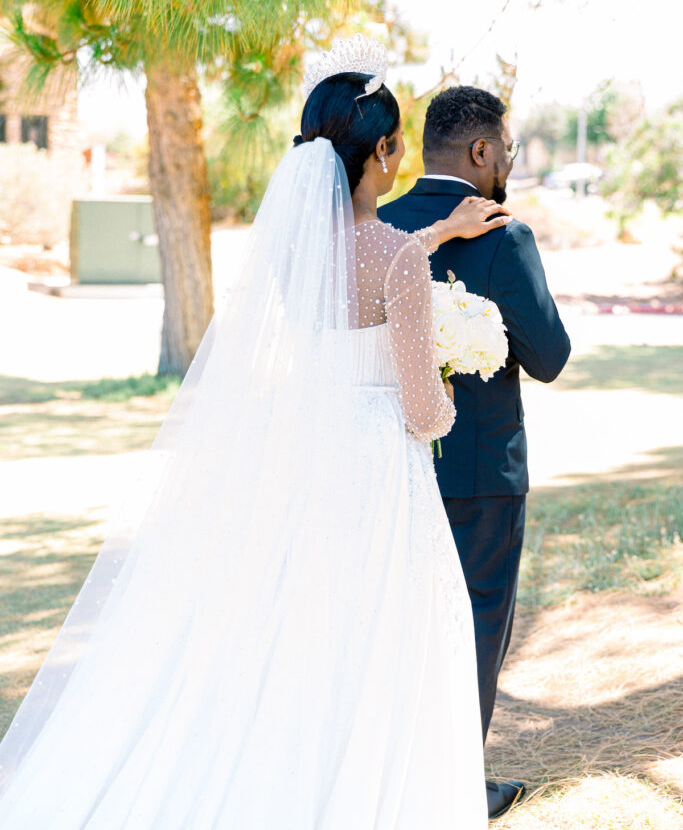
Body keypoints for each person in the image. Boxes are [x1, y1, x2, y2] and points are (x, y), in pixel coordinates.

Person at [0, 40, 510, 828]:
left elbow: (350, 278)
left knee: (298, 639)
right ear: (382, 151)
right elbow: (421, 414)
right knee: (378, 642)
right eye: (394, 142)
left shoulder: (293, 254)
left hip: (307, 469)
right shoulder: (399, 260)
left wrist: (434, 236)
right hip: (377, 479)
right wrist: (446, 383)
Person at [380, 85, 571, 819]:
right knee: (476, 622)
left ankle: (392, 771)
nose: (508, 167)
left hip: (392, 464)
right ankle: (455, 785)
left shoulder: (380, 224)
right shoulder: (504, 236)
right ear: (483, 152)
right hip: (483, 471)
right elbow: (549, 357)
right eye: (509, 153)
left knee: (396, 621)